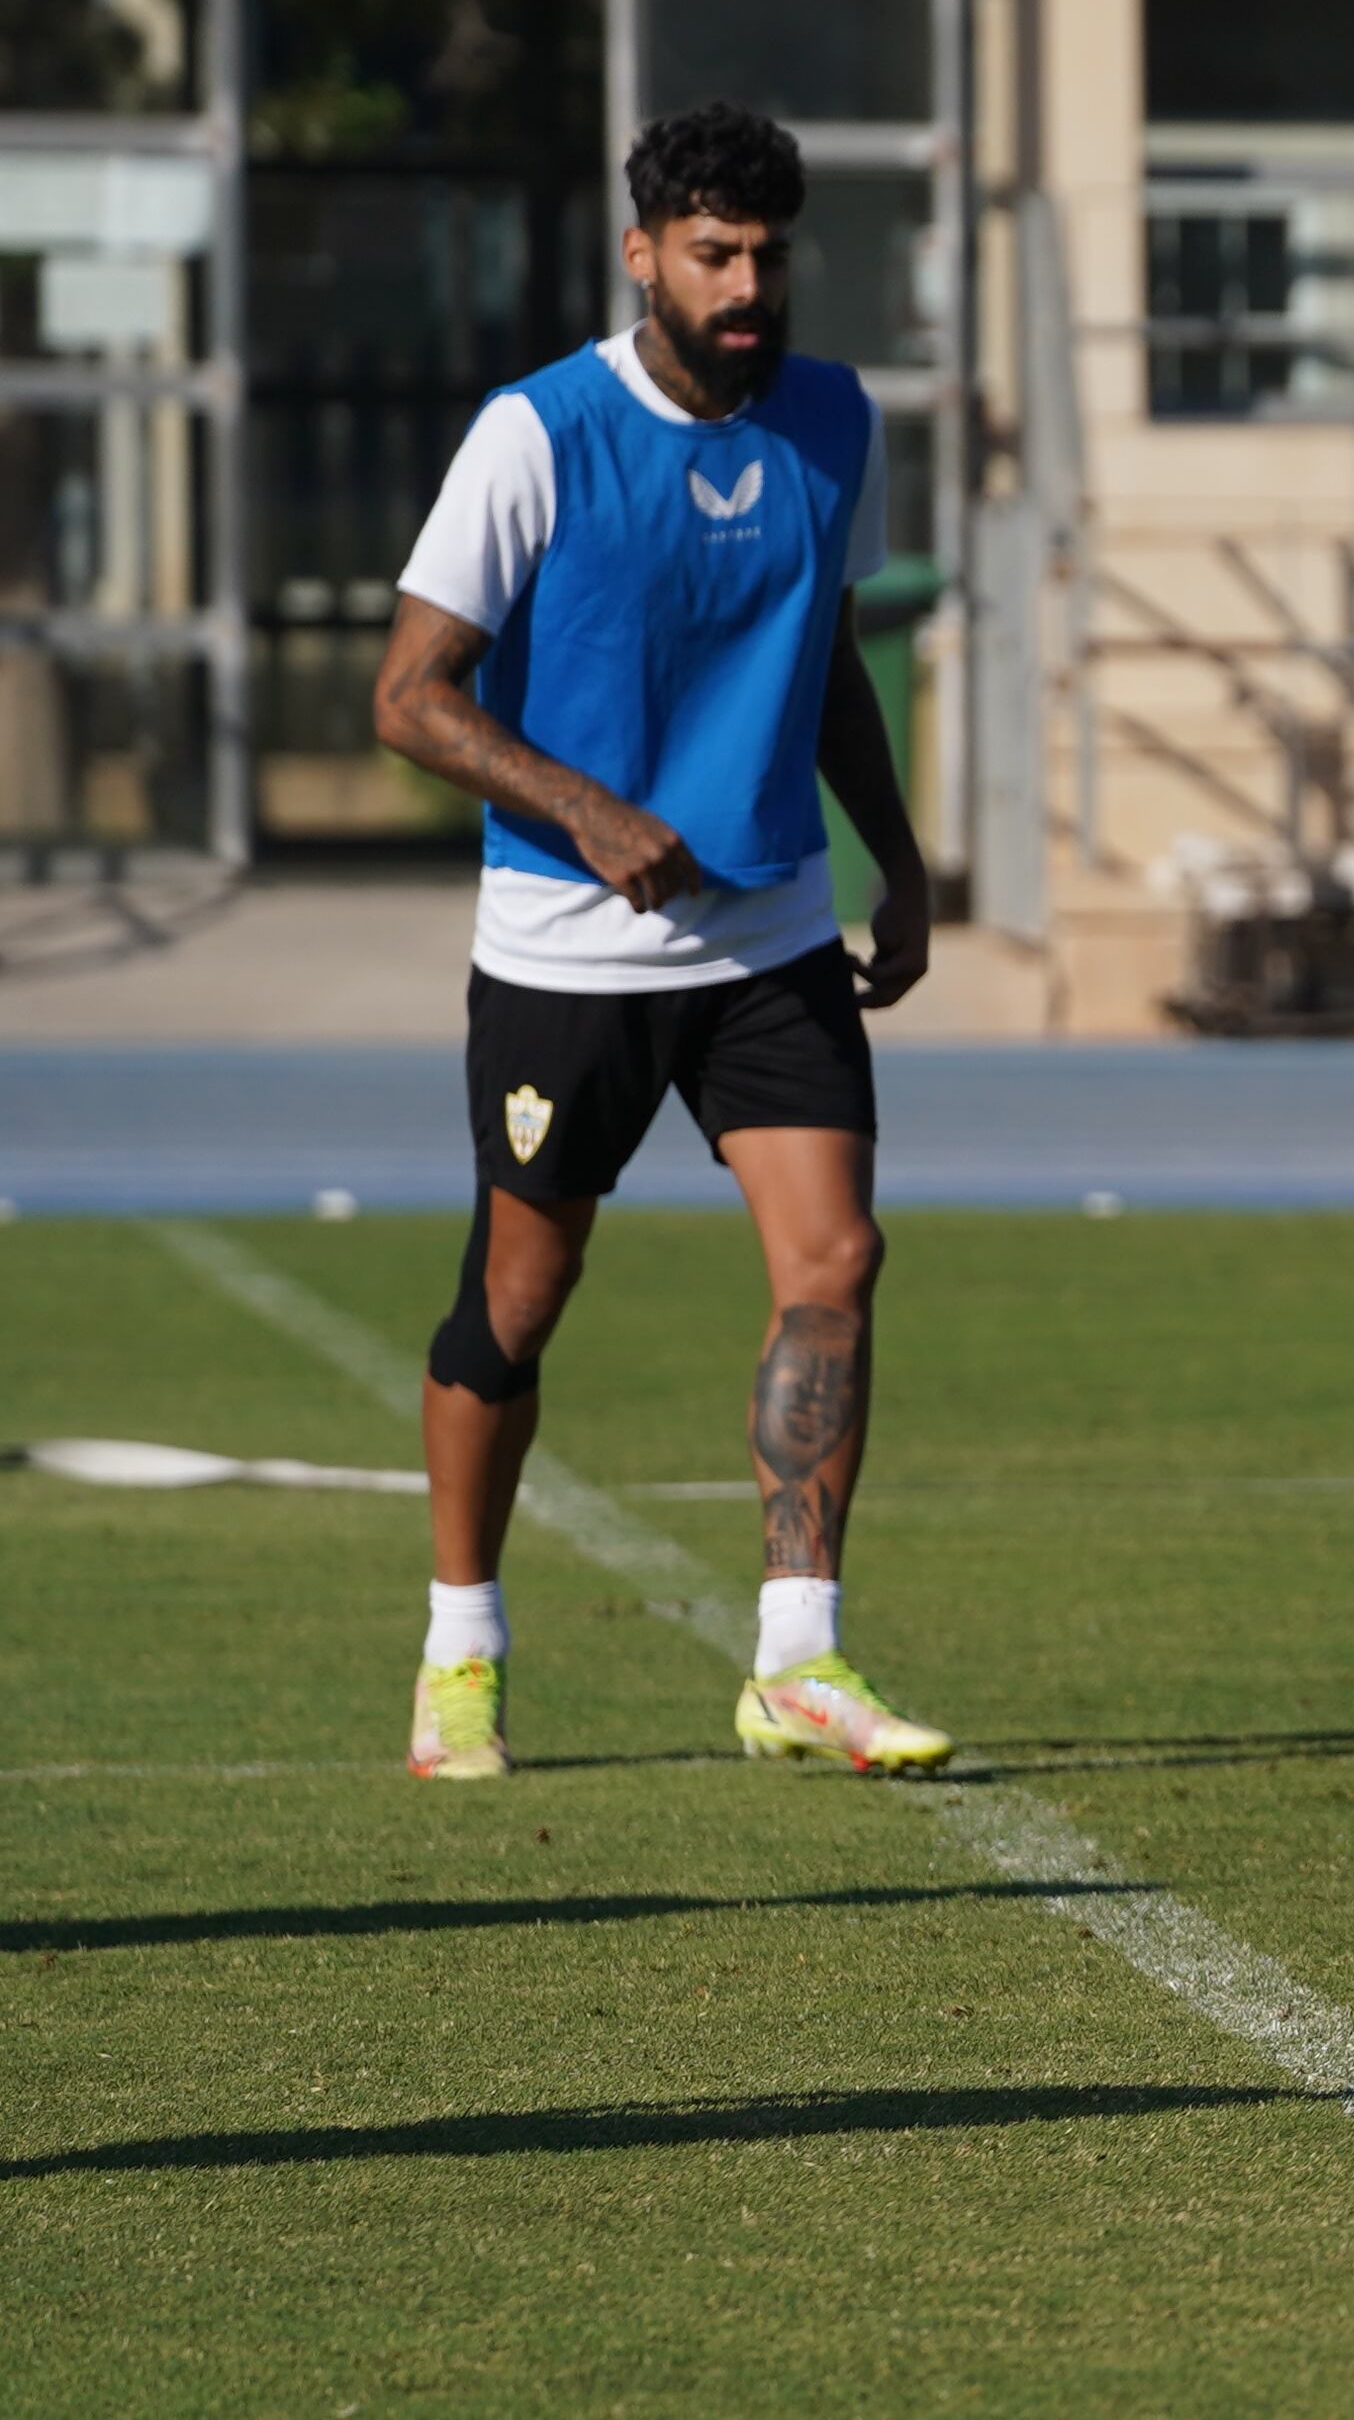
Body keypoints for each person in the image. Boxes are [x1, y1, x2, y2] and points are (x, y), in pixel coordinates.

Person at [368, 100, 949, 1781]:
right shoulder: (537, 432)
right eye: (713, 252)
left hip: (768, 934)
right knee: (519, 1298)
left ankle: (797, 1655)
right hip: (568, 951)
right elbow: (408, 695)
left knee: (836, 1259)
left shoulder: (838, 421)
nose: (747, 282)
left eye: (769, 252)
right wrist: (589, 811)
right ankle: (460, 1644)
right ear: (646, 255)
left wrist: (895, 862)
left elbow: (824, 653)